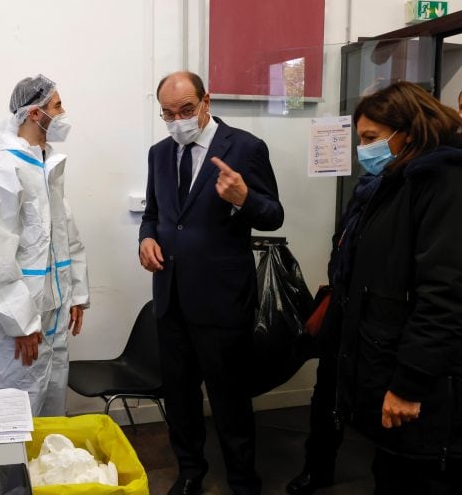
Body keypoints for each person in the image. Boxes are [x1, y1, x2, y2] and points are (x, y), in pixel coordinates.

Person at [139, 71, 284, 495]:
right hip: (171, 296)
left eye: (186, 110)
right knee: (180, 398)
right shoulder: (159, 153)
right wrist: (146, 236)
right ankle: (189, 474)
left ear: (207, 102)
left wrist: (244, 199)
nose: (178, 120)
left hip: (222, 300)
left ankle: (243, 480)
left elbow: (273, 215)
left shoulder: (245, 148)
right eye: (168, 114)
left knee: (230, 400)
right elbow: (154, 211)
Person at [336, 81, 462, 494]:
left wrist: (408, 384)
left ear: (407, 131)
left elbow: (444, 297)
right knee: (390, 473)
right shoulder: (397, 181)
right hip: (385, 360)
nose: (363, 150)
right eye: (360, 139)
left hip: (426, 387)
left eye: (371, 138)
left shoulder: (444, 183)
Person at [0, 74, 89, 417]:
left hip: (54, 311)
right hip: (22, 319)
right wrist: (21, 322)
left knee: (51, 409)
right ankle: (13, 472)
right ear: (35, 113)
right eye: (57, 106)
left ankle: (43, 471)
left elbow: (66, 235)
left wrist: (77, 294)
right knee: (16, 412)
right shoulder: (6, 169)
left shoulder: (46, 165)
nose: (63, 113)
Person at [285, 172, 382, 495]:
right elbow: (342, 242)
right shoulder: (366, 186)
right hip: (343, 308)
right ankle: (317, 469)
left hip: (378, 317)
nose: (365, 147)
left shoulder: (419, 186)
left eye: (373, 136)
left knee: (377, 397)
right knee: (326, 393)